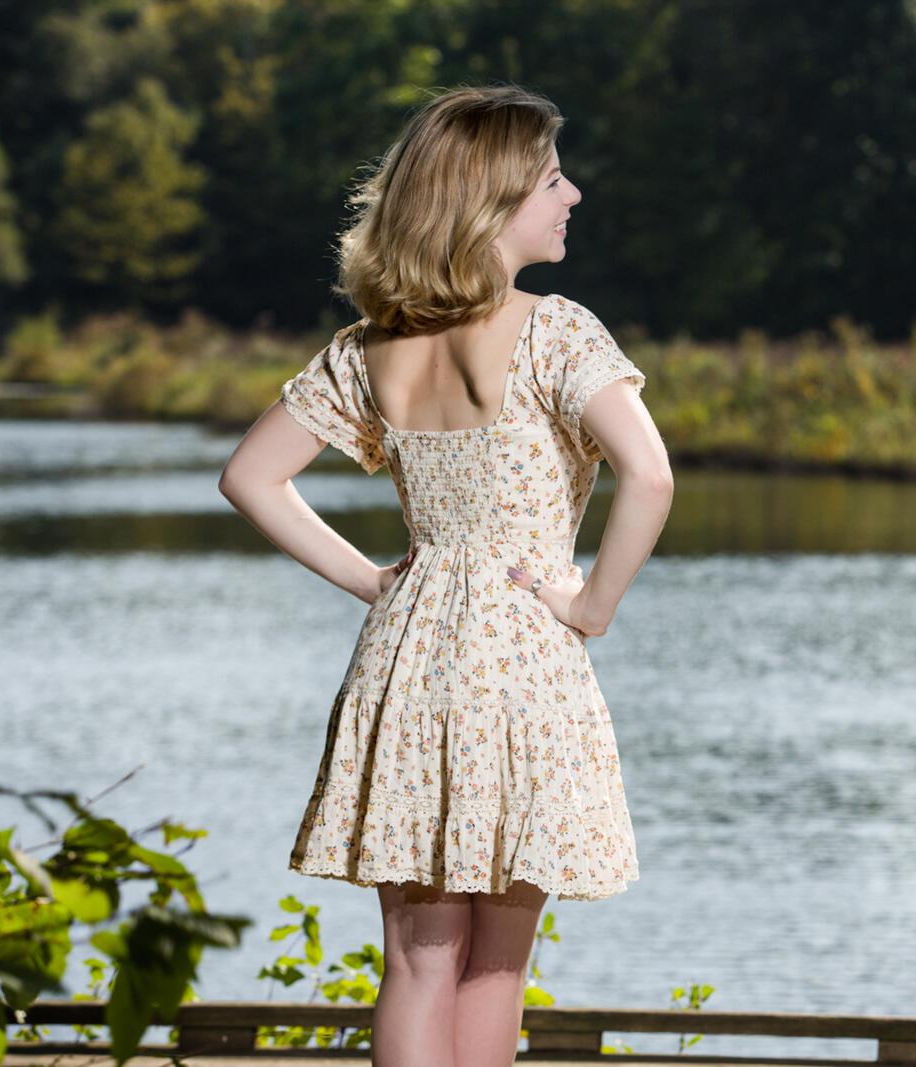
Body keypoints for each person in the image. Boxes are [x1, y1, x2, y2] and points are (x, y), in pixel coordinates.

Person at [217, 83, 673, 1067]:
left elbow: (250, 477)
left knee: (417, 961)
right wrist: (592, 604)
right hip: (522, 659)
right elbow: (650, 475)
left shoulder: (371, 348)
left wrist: (373, 582)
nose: (573, 195)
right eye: (552, 180)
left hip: (409, 658)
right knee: (495, 967)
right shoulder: (555, 331)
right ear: (491, 200)